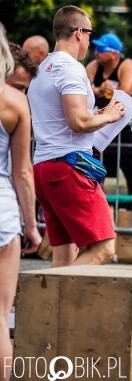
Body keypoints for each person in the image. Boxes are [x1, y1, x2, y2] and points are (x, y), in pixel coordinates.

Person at [28, 5, 125, 267]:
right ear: (79, 33)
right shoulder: (71, 68)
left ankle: (53, 307)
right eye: (90, 36)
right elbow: (78, 122)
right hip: (69, 167)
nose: (90, 43)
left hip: (45, 167)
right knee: (104, 248)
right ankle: (46, 290)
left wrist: (98, 113)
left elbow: (65, 116)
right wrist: (110, 116)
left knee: (63, 252)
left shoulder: (43, 67)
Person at [0, 24, 41, 380]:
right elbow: (22, 172)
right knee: (0, 316)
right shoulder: (14, 104)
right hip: (2, 213)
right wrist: (31, 226)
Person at [85, 32, 132, 194]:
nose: (96, 52)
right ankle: (100, 209)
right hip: (105, 126)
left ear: (114, 54)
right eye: (95, 48)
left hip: (129, 127)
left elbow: (126, 92)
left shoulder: (127, 65)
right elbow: (81, 90)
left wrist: (108, 91)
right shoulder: (93, 66)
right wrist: (99, 90)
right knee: (96, 172)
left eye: (100, 49)